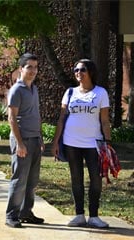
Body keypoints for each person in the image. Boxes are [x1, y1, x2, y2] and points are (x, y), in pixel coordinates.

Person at [51, 59, 111, 228]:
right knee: (76, 178)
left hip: (94, 144)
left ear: (90, 72)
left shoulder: (100, 93)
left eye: (82, 69)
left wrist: (107, 143)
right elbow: (62, 118)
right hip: (71, 142)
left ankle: (94, 216)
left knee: (96, 179)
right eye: (75, 69)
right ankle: (79, 215)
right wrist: (56, 142)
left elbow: (105, 121)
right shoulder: (70, 92)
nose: (78, 72)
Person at [5, 53, 45, 228]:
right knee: (19, 179)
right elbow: (12, 118)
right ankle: (11, 215)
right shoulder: (16, 90)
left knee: (32, 180)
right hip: (22, 140)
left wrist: (40, 138)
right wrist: (20, 143)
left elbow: (35, 115)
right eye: (29, 67)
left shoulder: (34, 89)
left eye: (35, 67)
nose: (33, 71)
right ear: (20, 69)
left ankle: (26, 212)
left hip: (35, 139)